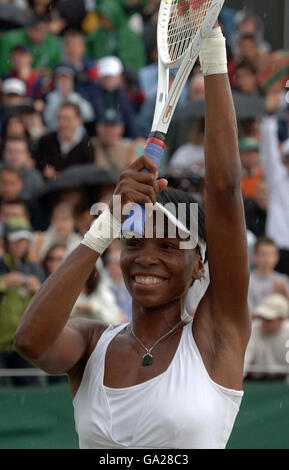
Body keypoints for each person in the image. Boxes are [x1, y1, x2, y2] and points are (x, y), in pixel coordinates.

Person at [14, 25, 250, 449]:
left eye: (167, 245)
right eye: (135, 243)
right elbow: (30, 341)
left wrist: (212, 49)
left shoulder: (217, 336)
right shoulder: (91, 343)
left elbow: (224, 188)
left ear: (200, 263)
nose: (145, 257)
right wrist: (106, 223)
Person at [0, 216, 45, 386]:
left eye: (24, 240)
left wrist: (38, 290)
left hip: (26, 344)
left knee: (32, 391)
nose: (20, 245)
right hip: (1, 344)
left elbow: (47, 304)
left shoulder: (35, 269)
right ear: (6, 242)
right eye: (15, 240)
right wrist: (4, 282)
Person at [37, 102, 94, 179]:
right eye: (59, 118)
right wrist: (44, 172)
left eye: (67, 119)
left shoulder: (88, 145)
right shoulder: (45, 141)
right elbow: (39, 165)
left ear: (79, 120)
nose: (62, 123)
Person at [244, 294, 289, 380]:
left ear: (281, 319)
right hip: (259, 381)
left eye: (268, 319)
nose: (263, 322)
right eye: (262, 317)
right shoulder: (254, 330)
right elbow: (244, 362)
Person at [43, 63, 95, 131]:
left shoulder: (78, 96)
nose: (64, 82)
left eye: (67, 79)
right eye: (61, 79)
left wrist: (69, 97)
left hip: (76, 134)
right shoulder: (49, 97)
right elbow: (48, 119)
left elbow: (89, 116)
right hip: (55, 133)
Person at [248, 237, 289, 313]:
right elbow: (249, 314)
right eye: (264, 254)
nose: (268, 259)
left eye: (271, 255)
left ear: (277, 257)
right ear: (254, 256)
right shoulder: (248, 282)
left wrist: (285, 293)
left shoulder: (283, 280)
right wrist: (274, 295)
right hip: (257, 323)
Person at [92, 108, 136, 173]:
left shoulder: (128, 147)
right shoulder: (90, 146)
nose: (109, 131)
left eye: (113, 126)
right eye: (105, 126)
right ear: (98, 127)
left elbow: (132, 173)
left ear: (121, 128)